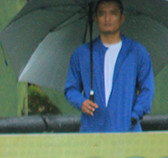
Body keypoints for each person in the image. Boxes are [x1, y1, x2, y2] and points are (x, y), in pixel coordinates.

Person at [64, 0, 154, 133]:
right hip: (92, 133)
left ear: (122, 18)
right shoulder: (82, 54)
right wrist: (81, 102)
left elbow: (147, 90)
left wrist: (134, 116)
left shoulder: (137, 53)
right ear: (95, 18)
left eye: (113, 13)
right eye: (102, 14)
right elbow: (70, 88)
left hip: (128, 133)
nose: (107, 18)